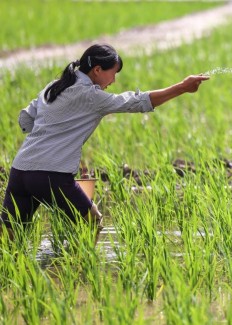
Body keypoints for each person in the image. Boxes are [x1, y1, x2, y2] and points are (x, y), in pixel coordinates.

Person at [0, 43, 209, 241]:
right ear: (98, 70)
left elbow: (26, 120)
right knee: (93, 222)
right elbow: (136, 102)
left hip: (20, 171)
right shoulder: (91, 96)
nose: (114, 81)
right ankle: (81, 269)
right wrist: (182, 87)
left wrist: (56, 133)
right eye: (114, 73)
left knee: (10, 237)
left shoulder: (53, 87)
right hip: (52, 175)